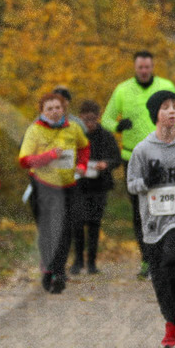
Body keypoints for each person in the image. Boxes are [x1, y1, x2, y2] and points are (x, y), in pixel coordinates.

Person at [126, 91, 175, 347]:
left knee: (172, 258)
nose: (172, 111)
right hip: (153, 218)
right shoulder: (142, 150)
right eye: (166, 108)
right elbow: (131, 184)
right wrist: (147, 182)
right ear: (155, 114)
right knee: (159, 274)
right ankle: (169, 323)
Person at [100, 51, 175, 279]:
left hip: (162, 154)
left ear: (153, 66)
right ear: (135, 68)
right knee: (140, 210)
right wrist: (118, 126)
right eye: (140, 68)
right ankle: (147, 259)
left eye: (147, 67)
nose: (144, 71)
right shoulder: (122, 89)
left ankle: (164, 256)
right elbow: (106, 120)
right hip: (133, 157)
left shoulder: (165, 86)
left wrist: (174, 126)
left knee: (163, 206)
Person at [19, 92, 89, 294]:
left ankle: (58, 271)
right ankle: (49, 269)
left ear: (63, 109)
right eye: (49, 108)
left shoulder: (73, 127)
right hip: (43, 186)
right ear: (42, 111)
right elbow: (25, 160)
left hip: (68, 186)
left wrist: (82, 165)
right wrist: (48, 156)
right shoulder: (34, 130)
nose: (54, 111)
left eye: (57, 107)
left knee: (66, 229)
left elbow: (84, 147)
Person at [70, 99, 120, 274]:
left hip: (99, 186)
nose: (89, 124)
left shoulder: (106, 136)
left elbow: (116, 158)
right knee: (77, 223)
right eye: (85, 120)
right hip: (78, 185)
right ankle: (77, 261)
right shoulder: (74, 135)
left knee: (94, 223)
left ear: (98, 118)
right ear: (79, 118)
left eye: (92, 119)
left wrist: (105, 164)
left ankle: (91, 262)